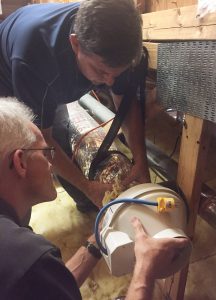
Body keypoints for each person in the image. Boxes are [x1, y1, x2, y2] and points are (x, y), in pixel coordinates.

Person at [0, 98, 189, 300]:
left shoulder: (20, 252)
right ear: (20, 162)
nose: (51, 163)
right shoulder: (28, 260)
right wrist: (145, 270)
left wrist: (101, 234)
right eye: (46, 152)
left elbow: (53, 286)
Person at [0, 0, 150, 212]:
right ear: (76, 44)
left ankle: (86, 199)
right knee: (23, 161)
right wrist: (87, 187)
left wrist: (141, 161)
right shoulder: (34, 61)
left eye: (116, 73)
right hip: (6, 75)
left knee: (61, 132)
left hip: (44, 60)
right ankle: (19, 229)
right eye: (101, 71)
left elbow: (126, 103)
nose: (109, 82)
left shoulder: (116, 34)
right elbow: (43, 138)